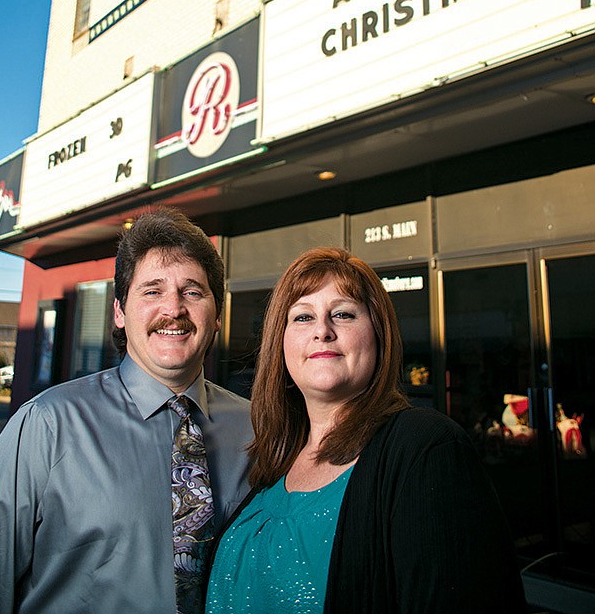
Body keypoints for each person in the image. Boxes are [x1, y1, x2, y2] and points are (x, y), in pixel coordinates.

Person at [0, 206, 252, 614]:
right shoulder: (47, 426)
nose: (173, 309)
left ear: (216, 314)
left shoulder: (253, 429)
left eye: (192, 291)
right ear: (119, 312)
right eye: (152, 291)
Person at [205, 247, 527, 614]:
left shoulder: (426, 449)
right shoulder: (271, 461)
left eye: (342, 314)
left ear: (378, 334)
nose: (322, 331)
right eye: (302, 317)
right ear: (280, 343)